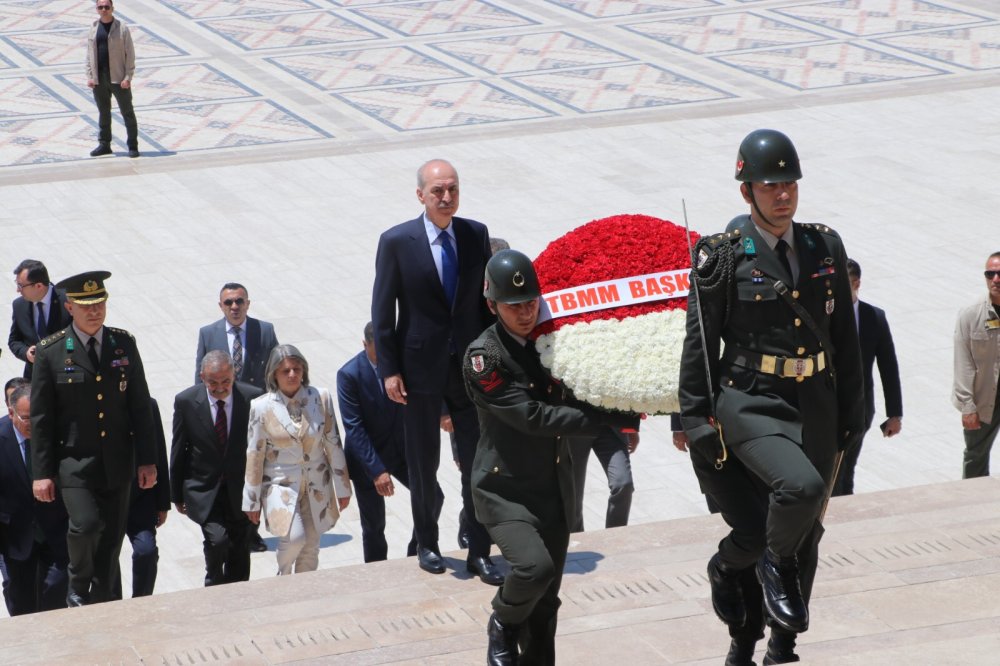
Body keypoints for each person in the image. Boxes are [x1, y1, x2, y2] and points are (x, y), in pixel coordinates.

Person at [679, 129, 864, 662]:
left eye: (789, 183)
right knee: (798, 491)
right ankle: (757, 574)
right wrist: (695, 421)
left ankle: (777, 645)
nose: (782, 194)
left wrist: (855, 410)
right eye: (769, 185)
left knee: (808, 535)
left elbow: (844, 339)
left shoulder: (823, 244)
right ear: (746, 192)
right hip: (751, 402)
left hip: (817, 406)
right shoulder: (722, 255)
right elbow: (699, 344)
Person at [464, 250, 639, 666]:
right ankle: (502, 621)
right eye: (514, 305)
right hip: (504, 491)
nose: (526, 313)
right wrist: (599, 418)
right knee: (534, 570)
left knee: (545, 608)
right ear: (492, 305)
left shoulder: (558, 340)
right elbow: (531, 416)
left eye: (531, 302)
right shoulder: (483, 357)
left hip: (553, 489)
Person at [371, 158, 500, 584]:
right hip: (418, 370)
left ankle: (479, 549)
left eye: (453, 190)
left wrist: (491, 357)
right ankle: (427, 541)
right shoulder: (396, 241)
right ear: (421, 195)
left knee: (476, 461)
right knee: (423, 463)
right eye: (438, 191)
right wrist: (389, 370)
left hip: (467, 368)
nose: (447, 198)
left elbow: (485, 304)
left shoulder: (474, 234)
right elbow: (382, 309)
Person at [29, 270, 158, 606]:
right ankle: (77, 582)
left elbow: (140, 406)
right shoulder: (51, 352)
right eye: (86, 305)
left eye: (99, 303)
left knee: (111, 542)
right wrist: (41, 473)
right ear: (69, 307)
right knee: (85, 525)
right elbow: (42, 419)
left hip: (117, 461)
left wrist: (147, 460)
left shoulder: (123, 344)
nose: (94, 311)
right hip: (73, 463)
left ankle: (102, 602)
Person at [337, 322, 442, 563]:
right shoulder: (349, 375)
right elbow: (354, 427)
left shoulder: (402, 365)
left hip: (401, 452)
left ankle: (416, 550)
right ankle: (377, 571)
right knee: (374, 526)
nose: (386, 355)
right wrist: (377, 471)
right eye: (379, 349)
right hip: (368, 458)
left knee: (434, 496)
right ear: (365, 345)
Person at [243, 345, 352, 575]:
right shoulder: (261, 407)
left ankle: (306, 592)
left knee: (311, 545)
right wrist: (251, 501)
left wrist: (343, 487)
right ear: (274, 374)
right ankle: (284, 576)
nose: (292, 375)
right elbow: (254, 456)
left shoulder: (320, 398)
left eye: (296, 369)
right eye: (286, 371)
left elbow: (333, 442)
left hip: (316, 483)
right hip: (280, 485)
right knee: (295, 538)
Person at [195, 282, 278, 552]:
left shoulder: (264, 331)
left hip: (255, 412)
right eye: (229, 302)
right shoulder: (209, 333)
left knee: (256, 470)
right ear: (221, 306)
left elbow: (276, 369)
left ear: (248, 304)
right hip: (224, 411)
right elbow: (200, 372)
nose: (234, 307)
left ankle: (250, 530)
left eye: (239, 301)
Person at [172, 351, 263, 586]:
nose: (220, 387)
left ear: (234, 374)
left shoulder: (253, 398)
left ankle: (237, 596)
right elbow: (179, 450)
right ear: (202, 377)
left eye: (226, 381)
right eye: (213, 382)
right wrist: (175, 495)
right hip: (204, 489)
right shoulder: (187, 401)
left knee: (240, 547)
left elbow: (263, 449)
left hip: (241, 489)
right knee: (217, 540)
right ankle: (214, 581)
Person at [832, 259, 903, 496]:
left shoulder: (874, 317)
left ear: (857, 283)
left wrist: (894, 414)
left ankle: (844, 517)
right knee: (831, 471)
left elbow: (888, 366)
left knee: (846, 469)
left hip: (860, 409)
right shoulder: (824, 316)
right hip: (826, 409)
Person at [0, 385, 70, 615]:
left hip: (56, 532)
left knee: (55, 595)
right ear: (11, 413)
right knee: (21, 604)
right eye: (27, 418)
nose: (35, 423)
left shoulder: (59, 432)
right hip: (16, 536)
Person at [114, 398, 170, 598]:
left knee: (146, 550)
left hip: (141, 496)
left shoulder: (148, 405)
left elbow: (159, 452)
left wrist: (162, 503)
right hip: (108, 499)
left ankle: (142, 599)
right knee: (108, 559)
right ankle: (113, 603)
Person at [953, 252, 1000, 478]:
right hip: (984, 399)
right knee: (975, 456)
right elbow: (963, 362)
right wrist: (967, 406)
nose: (995, 279)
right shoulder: (971, 314)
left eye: (999, 274)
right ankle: (971, 506)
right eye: (990, 274)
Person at [85, 0, 139, 158]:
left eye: (106, 7)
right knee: (103, 112)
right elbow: (89, 55)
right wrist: (90, 76)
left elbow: (130, 54)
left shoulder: (121, 28)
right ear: (97, 9)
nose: (103, 10)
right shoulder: (94, 28)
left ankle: (133, 145)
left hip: (118, 77)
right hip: (99, 79)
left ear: (112, 9)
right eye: (100, 7)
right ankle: (104, 144)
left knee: (127, 112)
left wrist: (128, 77)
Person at [8, 260, 71, 379]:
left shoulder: (68, 301)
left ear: (39, 286)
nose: (18, 290)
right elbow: (14, 340)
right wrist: (26, 353)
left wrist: (66, 352)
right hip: (34, 376)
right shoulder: (19, 305)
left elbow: (79, 336)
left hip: (65, 375)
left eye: (21, 286)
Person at [565, 428, 636, 533]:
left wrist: (633, 429)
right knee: (573, 498)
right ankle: (577, 541)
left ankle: (614, 537)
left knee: (623, 483)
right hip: (576, 427)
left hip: (610, 428)